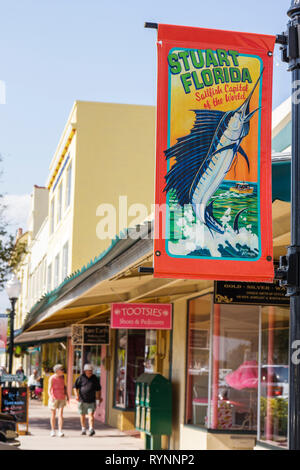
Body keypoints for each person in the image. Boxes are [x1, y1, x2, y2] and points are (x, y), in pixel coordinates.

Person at [74, 364, 102, 436]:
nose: (90, 372)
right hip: (82, 400)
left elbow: (98, 389)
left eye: (91, 371)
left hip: (91, 400)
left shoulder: (95, 378)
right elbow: (75, 387)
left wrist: (99, 397)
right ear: (85, 371)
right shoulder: (81, 377)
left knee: (91, 415)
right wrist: (76, 395)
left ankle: (91, 429)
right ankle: (83, 428)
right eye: (88, 371)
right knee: (82, 415)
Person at [48, 364, 69, 437]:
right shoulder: (52, 378)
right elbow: (49, 389)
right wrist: (51, 396)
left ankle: (60, 430)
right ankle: (53, 430)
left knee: (60, 414)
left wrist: (68, 396)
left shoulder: (63, 377)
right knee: (53, 414)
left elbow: (65, 387)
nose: (63, 371)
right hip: (54, 398)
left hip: (62, 397)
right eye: (61, 369)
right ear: (57, 371)